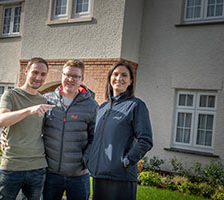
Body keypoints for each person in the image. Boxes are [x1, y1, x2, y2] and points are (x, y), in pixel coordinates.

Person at [87, 62, 153, 200]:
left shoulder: (136, 105)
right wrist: (89, 159)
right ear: (110, 78)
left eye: (124, 75)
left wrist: (127, 160)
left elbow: (145, 140)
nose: (119, 78)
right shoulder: (102, 108)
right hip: (99, 176)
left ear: (130, 81)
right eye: (115, 74)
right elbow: (95, 138)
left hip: (121, 177)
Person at [0, 57, 55, 200]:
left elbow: (42, 130)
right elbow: (1, 120)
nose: (38, 77)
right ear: (26, 71)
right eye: (35, 72)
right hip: (12, 166)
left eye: (42, 74)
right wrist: (29, 111)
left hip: (37, 167)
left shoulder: (44, 101)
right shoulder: (11, 95)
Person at [41, 59, 98, 200]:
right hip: (50, 174)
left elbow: (95, 137)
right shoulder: (47, 101)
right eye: (67, 75)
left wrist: (85, 160)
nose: (70, 79)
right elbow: (32, 127)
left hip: (79, 175)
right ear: (62, 76)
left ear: (82, 79)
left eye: (76, 76)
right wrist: (5, 133)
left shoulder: (91, 105)